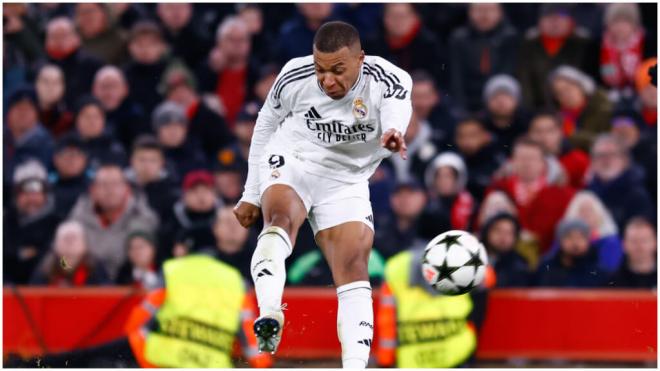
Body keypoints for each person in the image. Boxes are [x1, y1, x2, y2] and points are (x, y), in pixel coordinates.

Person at [233, 21, 412, 366]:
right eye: (321, 69)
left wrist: (393, 131)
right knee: (280, 219)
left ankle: (355, 365)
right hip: (295, 158)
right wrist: (251, 193)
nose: (327, 80)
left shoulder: (388, 80)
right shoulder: (294, 76)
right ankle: (270, 312)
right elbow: (266, 124)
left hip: (347, 179)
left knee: (353, 265)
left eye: (338, 70)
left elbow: (396, 109)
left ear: (361, 59)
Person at [12, 252, 271, 368]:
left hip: (156, 355)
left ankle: (30, 366)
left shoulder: (176, 271)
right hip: (208, 363)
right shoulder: (236, 285)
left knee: (88, 358)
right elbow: (255, 347)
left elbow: (139, 320)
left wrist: (141, 349)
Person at [375, 243, 489, 368]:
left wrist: (385, 362)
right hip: (456, 355)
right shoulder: (463, 260)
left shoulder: (395, 266)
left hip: (413, 359)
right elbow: (487, 279)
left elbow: (387, 320)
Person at [69, 162, 159, 280]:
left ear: (127, 189)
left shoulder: (145, 219)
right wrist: (68, 270)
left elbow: (159, 261)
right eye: (103, 185)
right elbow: (58, 260)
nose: (110, 190)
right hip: (87, 288)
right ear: (93, 190)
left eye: (115, 184)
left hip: (130, 287)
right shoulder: (76, 220)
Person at [488, 137, 575, 253]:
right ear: (512, 161)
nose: (527, 163)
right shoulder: (498, 190)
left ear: (543, 162)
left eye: (532, 158)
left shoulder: (562, 193)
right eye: (522, 158)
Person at [517, 4, 597, 109]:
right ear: (540, 22)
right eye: (549, 17)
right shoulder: (528, 46)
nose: (555, 22)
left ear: (570, 20)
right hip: (539, 110)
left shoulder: (585, 44)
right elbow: (525, 82)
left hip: (580, 108)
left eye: (561, 17)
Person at [449, 3, 519, 113]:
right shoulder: (459, 39)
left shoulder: (510, 37)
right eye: (479, 10)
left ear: (501, 12)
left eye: (490, 10)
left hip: (499, 100)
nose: (484, 15)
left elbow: (507, 74)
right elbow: (456, 77)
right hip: (468, 100)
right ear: (469, 12)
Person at [161, 64, 235, 161]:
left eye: (184, 89)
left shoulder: (211, 117)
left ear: (193, 90)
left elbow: (225, 148)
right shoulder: (162, 118)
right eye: (173, 91)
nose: (179, 95)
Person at [4, 160, 61, 284]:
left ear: (46, 195)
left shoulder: (58, 226)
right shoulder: (6, 224)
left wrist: (65, 266)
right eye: (25, 193)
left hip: (48, 292)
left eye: (36, 193)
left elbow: (67, 264)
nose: (31, 199)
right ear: (16, 196)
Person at [196, 16, 259, 126]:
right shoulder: (205, 69)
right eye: (231, 39)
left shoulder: (257, 72)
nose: (237, 44)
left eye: (242, 40)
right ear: (219, 42)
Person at [365, 3, 446, 88]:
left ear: (415, 18)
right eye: (394, 16)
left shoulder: (430, 45)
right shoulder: (372, 45)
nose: (398, 21)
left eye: (403, 16)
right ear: (384, 18)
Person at [587, 134, 654, 231]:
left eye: (611, 154)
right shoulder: (587, 194)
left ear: (625, 160)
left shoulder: (637, 195)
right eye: (600, 155)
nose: (605, 160)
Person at [549, 190, 624, 273]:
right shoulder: (562, 238)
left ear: (600, 215)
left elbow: (610, 269)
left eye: (590, 211)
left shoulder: (610, 241)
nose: (586, 215)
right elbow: (551, 264)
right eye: (582, 211)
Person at [159, 170, 222, 262]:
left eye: (206, 191)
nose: (201, 196)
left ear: (214, 194)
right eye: (194, 191)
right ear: (184, 195)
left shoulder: (227, 219)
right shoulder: (172, 224)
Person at [549, 65, 613, 152]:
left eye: (568, 89)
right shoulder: (556, 118)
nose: (565, 95)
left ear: (582, 86)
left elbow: (607, 142)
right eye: (559, 93)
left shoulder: (604, 109)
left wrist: (572, 136)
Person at [30, 220, 111, 286]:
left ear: (84, 244)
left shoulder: (95, 267)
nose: (69, 243)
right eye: (65, 239)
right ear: (55, 245)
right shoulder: (46, 269)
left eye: (73, 238)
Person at [43, 17, 102, 107]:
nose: (59, 41)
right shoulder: (39, 67)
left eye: (64, 36)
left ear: (77, 38)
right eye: (54, 36)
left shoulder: (92, 65)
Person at [3, 87, 55, 189]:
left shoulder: (47, 144)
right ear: (8, 113)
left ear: (36, 114)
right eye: (18, 108)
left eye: (28, 109)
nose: (23, 113)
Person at [535, 219, 608, 287]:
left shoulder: (597, 272)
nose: (575, 242)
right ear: (560, 240)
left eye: (580, 237)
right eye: (569, 237)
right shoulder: (546, 268)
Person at [419, 152, 476, 239]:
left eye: (449, 176)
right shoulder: (423, 205)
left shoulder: (471, 206)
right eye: (439, 176)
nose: (444, 181)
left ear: (457, 178)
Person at [528, 110, 590, 188]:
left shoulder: (579, 160)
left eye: (550, 131)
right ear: (529, 134)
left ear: (560, 132)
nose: (543, 136)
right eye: (538, 131)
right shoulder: (519, 162)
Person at [125, 135, 180, 222]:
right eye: (142, 160)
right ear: (132, 161)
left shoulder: (171, 190)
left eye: (153, 160)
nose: (147, 165)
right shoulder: (121, 185)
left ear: (161, 163)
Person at [122, 20, 173, 114]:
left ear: (162, 47)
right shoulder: (122, 75)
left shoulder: (170, 73)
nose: (145, 49)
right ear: (130, 47)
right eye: (139, 44)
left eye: (151, 44)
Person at [92, 65, 148, 150]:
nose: (109, 93)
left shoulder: (136, 116)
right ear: (94, 89)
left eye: (114, 86)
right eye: (104, 86)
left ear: (125, 89)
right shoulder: (85, 113)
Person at [151, 101, 208, 182]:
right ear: (157, 130)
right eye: (167, 126)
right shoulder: (148, 155)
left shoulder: (197, 156)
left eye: (177, 126)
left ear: (185, 130)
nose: (173, 131)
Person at [600, 4, 646, 102]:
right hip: (610, 92)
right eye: (616, 22)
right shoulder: (601, 44)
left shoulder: (646, 43)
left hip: (641, 93)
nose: (620, 27)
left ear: (633, 25)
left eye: (625, 22)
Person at [453, 117, 506, 201]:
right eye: (461, 136)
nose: (466, 141)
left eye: (472, 136)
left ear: (486, 136)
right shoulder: (452, 161)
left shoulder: (498, 162)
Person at [374, 181, 427, 261]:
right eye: (398, 193)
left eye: (411, 193)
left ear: (423, 197)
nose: (404, 199)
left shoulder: (435, 227)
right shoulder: (379, 231)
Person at [73, 95, 127, 168]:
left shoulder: (114, 149)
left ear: (104, 120)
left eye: (96, 117)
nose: (92, 122)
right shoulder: (67, 147)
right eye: (87, 116)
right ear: (77, 119)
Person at [482, 74, 531, 153]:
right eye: (495, 96)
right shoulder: (480, 126)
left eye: (506, 96)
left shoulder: (529, 123)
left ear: (517, 100)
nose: (501, 101)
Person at [480, 212, 531, 287]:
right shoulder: (473, 258)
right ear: (487, 232)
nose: (503, 237)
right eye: (498, 230)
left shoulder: (520, 267)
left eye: (509, 233)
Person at [49, 133, 90, 218]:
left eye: (77, 154)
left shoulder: (93, 189)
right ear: (55, 159)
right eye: (66, 155)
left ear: (85, 160)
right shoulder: (47, 189)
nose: (71, 160)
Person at [611, 217, 657, 288]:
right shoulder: (612, 283)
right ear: (624, 244)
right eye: (634, 241)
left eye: (644, 240)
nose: (639, 246)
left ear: (655, 242)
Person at [34, 64, 74, 138]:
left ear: (63, 88)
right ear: (36, 84)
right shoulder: (25, 117)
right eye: (45, 82)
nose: (50, 87)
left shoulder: (69, 122)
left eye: (56, 83)